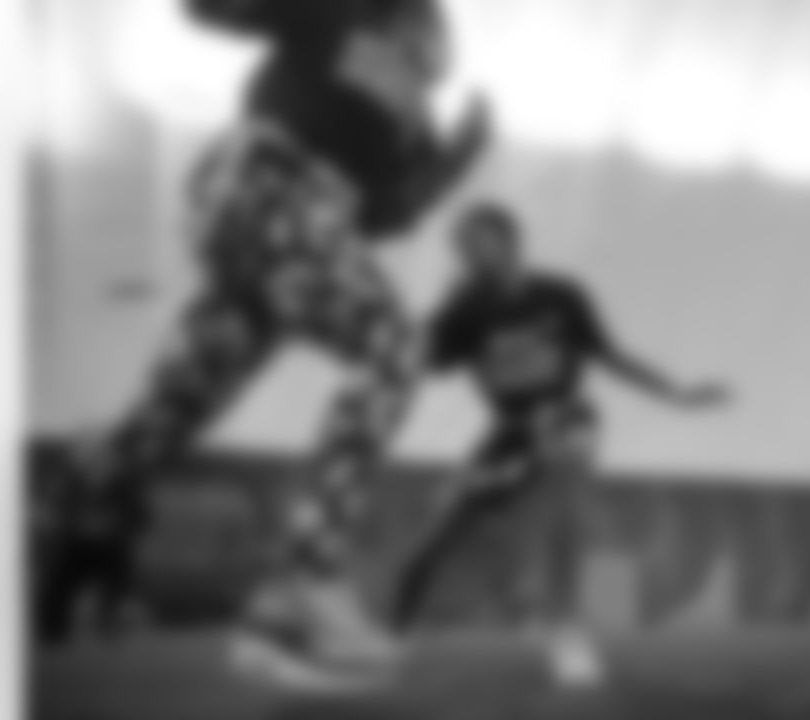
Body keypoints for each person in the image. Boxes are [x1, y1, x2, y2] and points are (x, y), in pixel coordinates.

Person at [42, 0, 492, 688]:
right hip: (274, 184)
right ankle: (301, 588)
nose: (433, 56)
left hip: (290, 233)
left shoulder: (421, 120)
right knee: (393, 347)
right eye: (428, 36)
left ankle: (80, 510)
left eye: (438, 57)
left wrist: (456, 159)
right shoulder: (347, 18)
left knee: (179, 402)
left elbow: (390, 214)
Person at [389, 202, 730, 685]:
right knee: (444, 526)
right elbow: (416, 359)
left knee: (566, 475)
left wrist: (678, 394)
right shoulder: (464, 310)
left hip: (566, 417)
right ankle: (393, 633)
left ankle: (566, 630)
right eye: (460, 248)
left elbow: (610, 356)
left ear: (510, 241)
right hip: (509, 433)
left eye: (476, 242)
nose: (467, 255)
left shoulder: (560, 296)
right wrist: (442, 308)